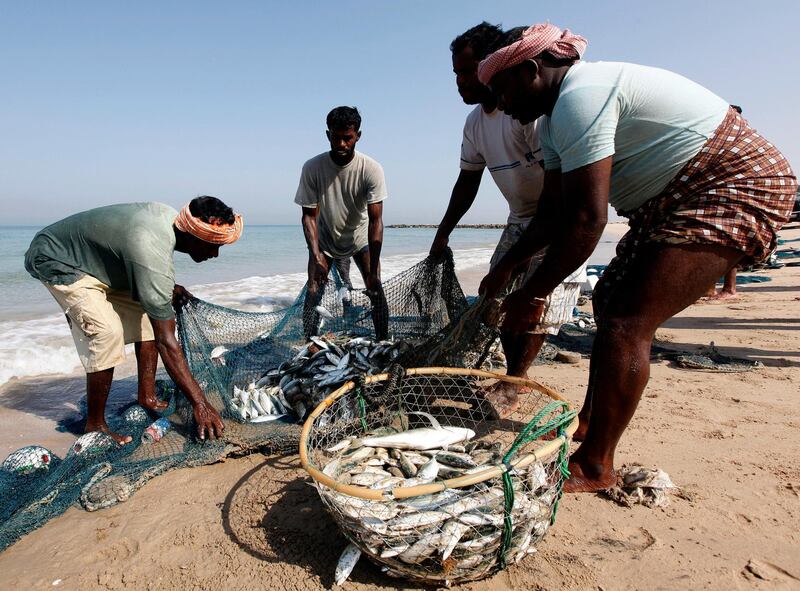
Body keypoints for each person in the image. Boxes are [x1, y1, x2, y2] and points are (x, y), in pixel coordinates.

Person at [477, 24, 797, 492]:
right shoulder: (551, 122)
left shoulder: (581, 97)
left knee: (627, 322)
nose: (500, 104)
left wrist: (536, 291)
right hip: (669, 200)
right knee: (608, 300)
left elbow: (588, 219)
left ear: (529, 70)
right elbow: (552, 211)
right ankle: (590, 422)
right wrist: (511, 263)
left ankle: (594, 466)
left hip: (730, 184)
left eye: (500, 90)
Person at [430, 22, 586, 415]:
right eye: (456, 74)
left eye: (467, 72)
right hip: (522, 217)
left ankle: (514, 380)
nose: (461, 82)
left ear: (493, 65)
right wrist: (442, 233)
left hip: (561, 214)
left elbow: (561, 193)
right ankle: (511, 377)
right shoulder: (474, 124)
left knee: (536, 301)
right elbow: (467, 184)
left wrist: (522, 260)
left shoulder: (526, 110)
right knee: (495, 296)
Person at [25, 197, 242, 444]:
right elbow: (166, 342)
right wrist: (200, 404)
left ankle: (146, 397)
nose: (215, 254)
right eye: (213, 246)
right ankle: (94, 426)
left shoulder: (168, 223)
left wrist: (164, 289)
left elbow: (143, 267)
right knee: (107, 333)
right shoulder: (150, 246)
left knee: (150, 317)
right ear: (194, 235)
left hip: (98, 262)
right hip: (57, 259)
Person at [295, 106, 389, 339]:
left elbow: (376, 220)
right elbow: (309, 216)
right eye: (336, 138)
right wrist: (316, 255)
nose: (341, 144)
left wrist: (375, 267)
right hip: (325, 240)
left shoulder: (371, 169)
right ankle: (310, 344)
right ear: (328, 135)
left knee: (375, 289)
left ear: (358, 135)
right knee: (314, 290)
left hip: (359, 238)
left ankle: (383, 341)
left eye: (347, 138)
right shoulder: (312, 168)